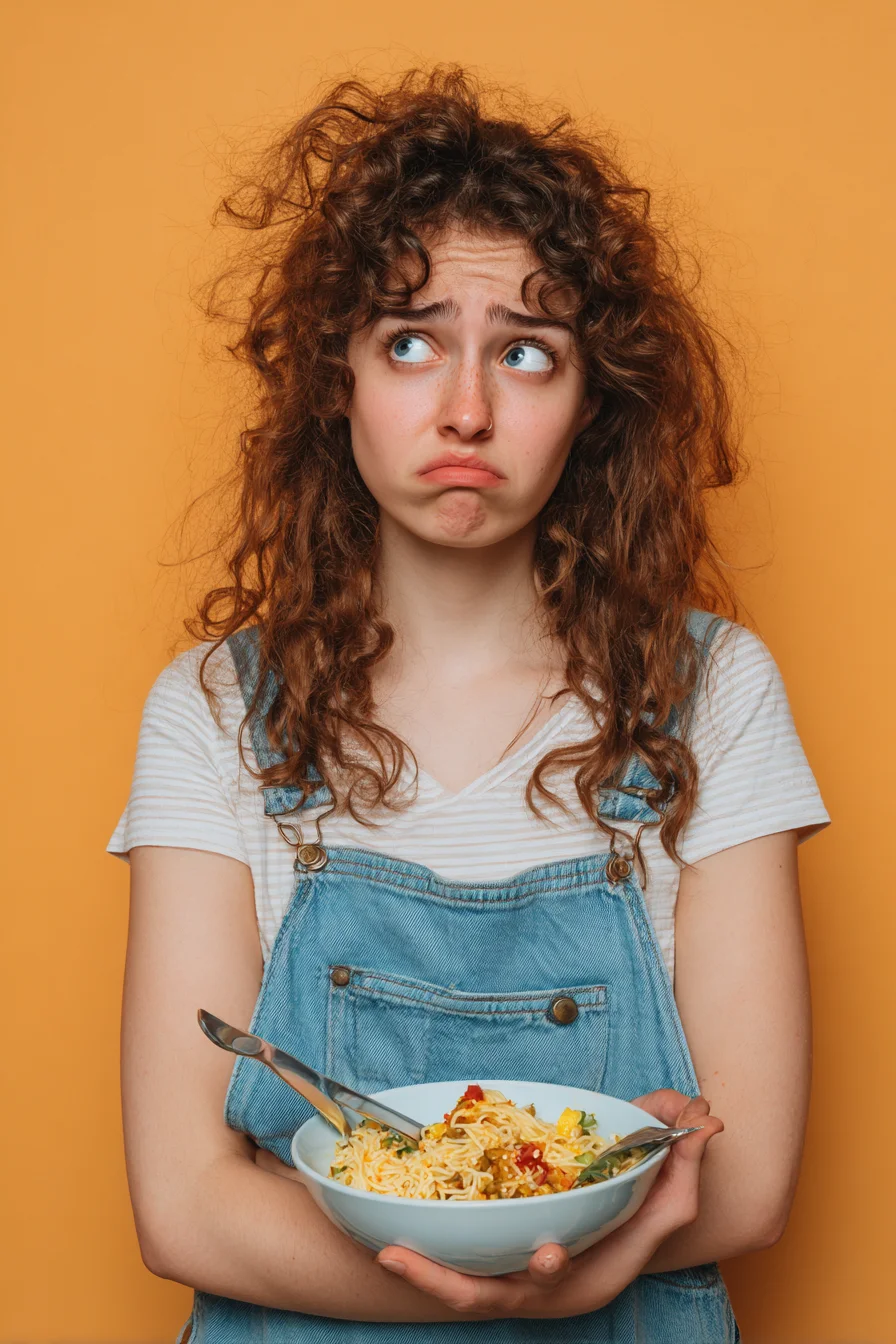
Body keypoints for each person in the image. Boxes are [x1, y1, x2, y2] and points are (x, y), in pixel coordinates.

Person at [109, 66, 829, 1342]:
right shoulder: (212, 711)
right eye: (409, 340)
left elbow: (754, 1179)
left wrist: (579, 1288)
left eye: (525, 352)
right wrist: (520, 1287)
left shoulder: (712, 695)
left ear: (588, 402)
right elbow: (184, 1206)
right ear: (336, 381)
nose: (465, 408)